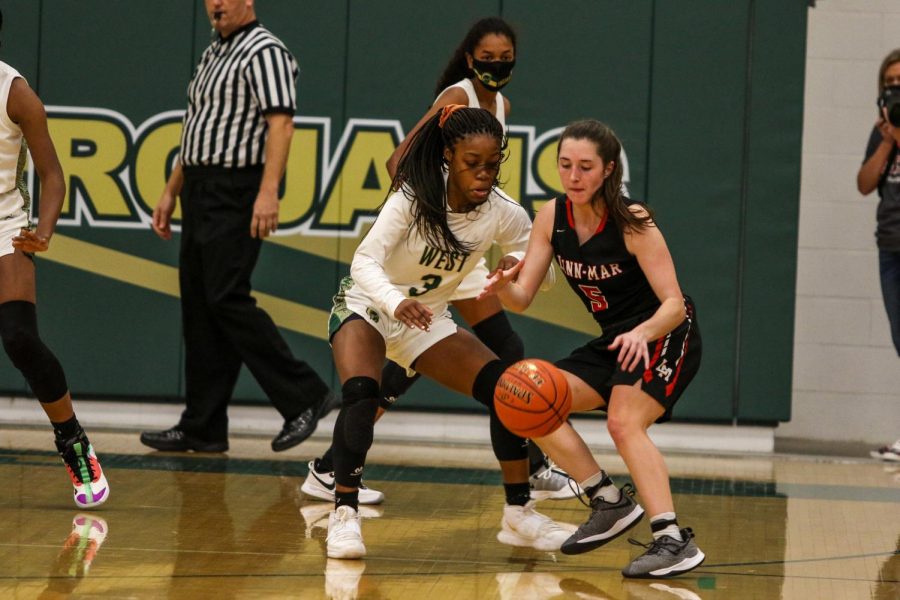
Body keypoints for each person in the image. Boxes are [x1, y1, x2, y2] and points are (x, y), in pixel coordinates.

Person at [302, 16, 576, 506]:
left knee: (431, 363)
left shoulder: (502, 107)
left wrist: (494, 231)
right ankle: (532, 466)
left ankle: (331, 465)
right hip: (433, 244)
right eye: (487, 58)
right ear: (469, 59)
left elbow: (527, 238)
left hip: (462, 252)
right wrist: (432, 216)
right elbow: (398, 163)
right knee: (501, 352)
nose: (497, 65)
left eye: (506, 58)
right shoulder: (456, 99)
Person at [324, 105, 574, 559]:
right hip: (370, 305)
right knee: (362, 391)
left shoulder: (502, 211)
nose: (483, 174)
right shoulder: (413, 197)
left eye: (492, 164)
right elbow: (363, 262)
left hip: (429, 320)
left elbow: (545, 272)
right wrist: (396, 301)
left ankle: (518, 514)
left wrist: (519, 266)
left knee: (510, 389)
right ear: (447, 158)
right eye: (471, 164)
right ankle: (344, 514)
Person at [480, 119, 706, 578]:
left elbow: (674, 305)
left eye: (585, 167)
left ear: (607, 171)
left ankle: (671, 539)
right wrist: (503, 285)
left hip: (663, 335)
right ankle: (606, 500)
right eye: (566, 165)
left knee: (623, 422)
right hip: (615, 342)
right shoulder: (551, 218)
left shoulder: (632, 221)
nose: (574, 176)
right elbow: (523, 296)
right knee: (520, 395)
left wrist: (642, 334)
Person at [139, 0, 336, 454]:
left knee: (227, 296)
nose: (217, 4)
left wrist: (268, 192)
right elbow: (196, 129)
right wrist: (172, 189)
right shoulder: (213, 52)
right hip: (200, 185)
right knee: (201, 304)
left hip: (237, 187)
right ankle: (203, 426)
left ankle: (305, 394)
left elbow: (281, 124)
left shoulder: (266, 50)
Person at [0, 9, 109, 510]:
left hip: (5, 224)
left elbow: (54, 176)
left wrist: (44, 231)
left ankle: (73, 440)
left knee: (20, 337)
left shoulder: (15, 93)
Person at [857, 49, 900, 463]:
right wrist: (888, 140)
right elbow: (866, 183)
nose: (896, 88)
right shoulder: (883, 128)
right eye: (890, 82)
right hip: (890, 244)